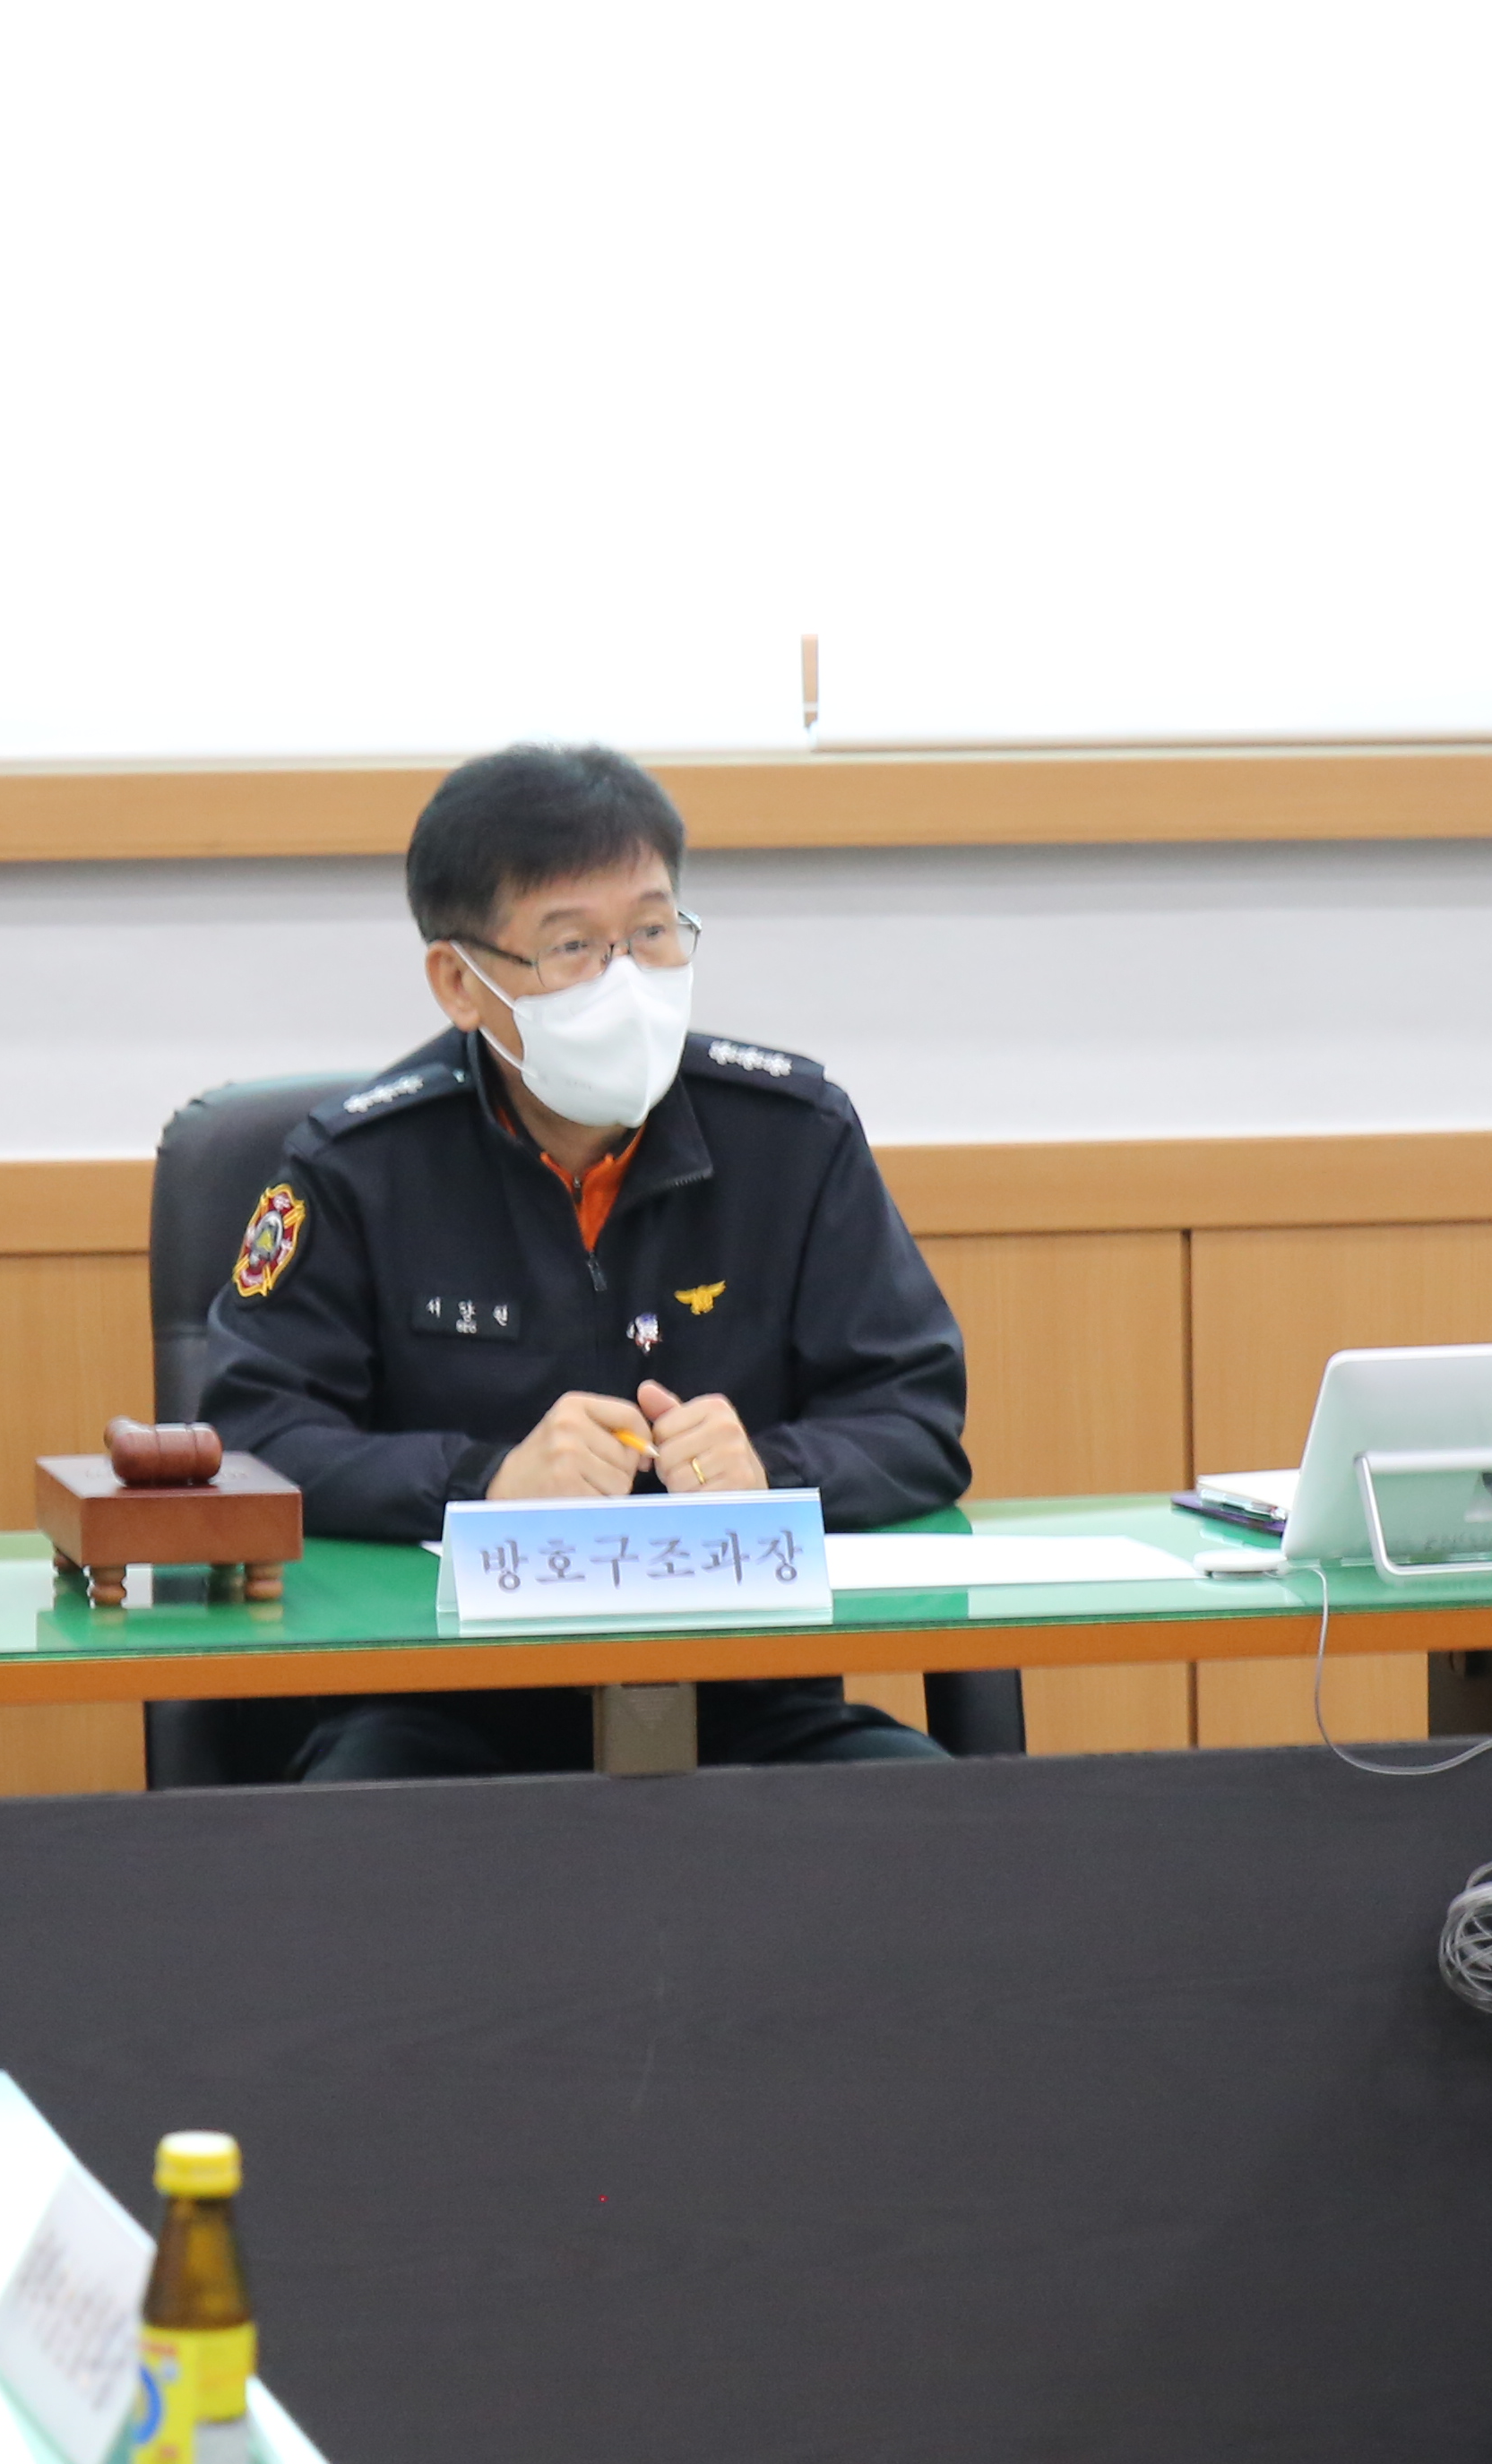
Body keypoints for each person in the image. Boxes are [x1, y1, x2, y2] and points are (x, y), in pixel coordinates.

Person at [199, 741, 970, 1778]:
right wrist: (484, 1484)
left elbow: (915, 1416)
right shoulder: (359, 1169)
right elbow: (255, 1435)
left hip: (747, 1696)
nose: (627, 981)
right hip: (446, 1707)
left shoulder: (793, 1139)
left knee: (921, 1809)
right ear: (460, 981)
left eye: (652, 933)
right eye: (574, 947)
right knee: (367, 1819)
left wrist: (770, 1471)